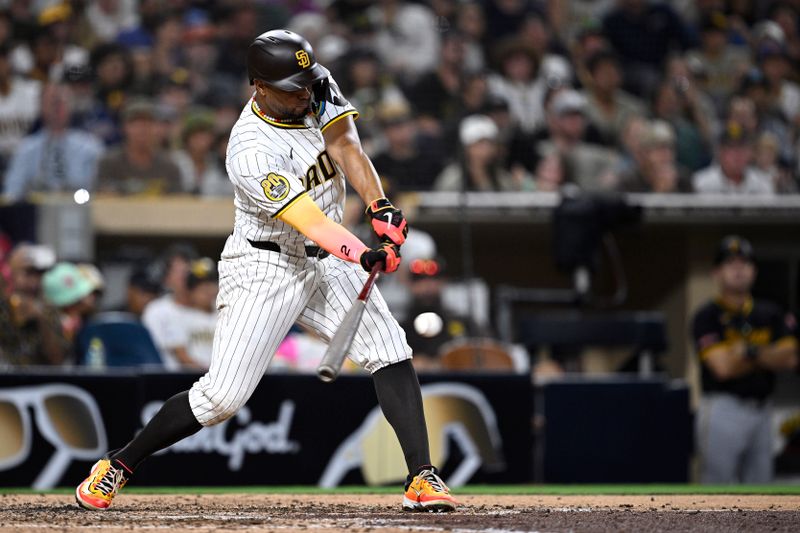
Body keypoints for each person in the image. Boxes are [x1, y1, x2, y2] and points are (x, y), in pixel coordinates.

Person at [75, 29, 456, 513]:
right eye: (291, 86)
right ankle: (120, 464)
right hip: (267, 265)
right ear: (258, 85)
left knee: (390, 349)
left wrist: (379, 205)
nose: (304, 92)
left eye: (306, 80)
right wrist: (363, 253)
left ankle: (422, 476)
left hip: (329, 256)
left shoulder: (312, 84)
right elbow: (309, 222)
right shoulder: (249, 148)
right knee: (220, 399)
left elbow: (345, 146)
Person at [691, 236, 798, 483]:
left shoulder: (770, 312)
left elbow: (790, 358)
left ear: (754, 271)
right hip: (723, 408)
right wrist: (767, 354)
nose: (738, 268)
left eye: (745, 263)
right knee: (717, 489)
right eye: (730, 263)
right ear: (716, 272)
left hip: (762, 409)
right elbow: (723, 368)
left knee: (762, 490)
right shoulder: (707, 316)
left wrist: (748, 352)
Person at [3, 83, 104, 201]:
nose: (57, 109)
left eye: (62, 102)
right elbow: (12, 194)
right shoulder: (26, 149)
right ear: (41, 107)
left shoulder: (91, 147)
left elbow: (100, 193)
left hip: (79, 212)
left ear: (71, 106)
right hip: (36, 214)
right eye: (53, 103)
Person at [141, 257, 219, 370]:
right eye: (201, 287)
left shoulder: (223, 312)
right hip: (190, 377)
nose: (208, 291)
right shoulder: (176, 313)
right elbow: (181, 354)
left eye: (211, 284)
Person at [95, 98, 182, 195]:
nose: (142, 129)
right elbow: (101, 200)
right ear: (124, 127)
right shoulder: (109, 163)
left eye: (147, 123)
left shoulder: (169, 167)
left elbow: (177, 202)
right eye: (135, 123)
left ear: (156, 128)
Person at [0, 243, 67, 366]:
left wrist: (41, 321)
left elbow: (58, 360)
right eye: (28, 273)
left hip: (38, 381)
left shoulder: (48, 309)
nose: (34, 282)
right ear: (10, 273)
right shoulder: (3, 307)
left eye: (39, 275)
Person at [692, 121, 775, 195]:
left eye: (742, 148)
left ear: (750, 152)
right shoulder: (700, 183)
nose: (738, 155)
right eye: (731, 148)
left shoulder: (762, 184)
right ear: (720, 152)